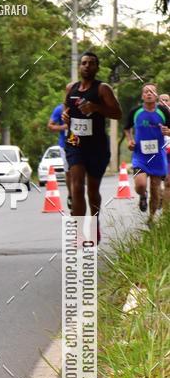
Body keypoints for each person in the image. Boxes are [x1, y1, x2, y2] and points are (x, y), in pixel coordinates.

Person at [62, 51, 122, 242]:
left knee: (92, 190)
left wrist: (96, 108)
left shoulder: (102, 89)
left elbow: (117, 113)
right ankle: (78, 234)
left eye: (91, 63)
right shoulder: (70, 88)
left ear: (97, 67)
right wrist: (65, 116)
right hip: (75, 143)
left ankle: (94, 223)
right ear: (80, 66)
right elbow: (66, 110)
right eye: (84, 63)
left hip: (96, 146)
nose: (87, 66)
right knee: (77, 186)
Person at [123, 84, 170, 223]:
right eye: (146, 92)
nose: (149, 94)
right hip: (140, 156)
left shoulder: (163, 111)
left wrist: (168, 131)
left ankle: (151, 218)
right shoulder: (135, 111)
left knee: (155, 189)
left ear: (156, 96)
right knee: (140, 184)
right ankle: (142, 195)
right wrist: (130, 140)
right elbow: (126, 128)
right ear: (142, 96)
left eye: (152, 92)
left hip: (157, 156)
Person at [47, 101, 70, 209]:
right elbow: (50, 125)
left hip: (81, 144)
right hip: (65, 145)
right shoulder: (60, 109)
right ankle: (71, 194)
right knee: (69, 171)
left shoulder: (83, 106)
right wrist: (64, 127)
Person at [159, 92, 170, 210]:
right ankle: (159, 195)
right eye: (162, 100)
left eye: (166, 100)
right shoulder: (154, 114)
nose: (164, 102)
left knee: (167, 182)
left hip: (169, 152)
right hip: (157, 152)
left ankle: (166, 216)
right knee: (156, 181)